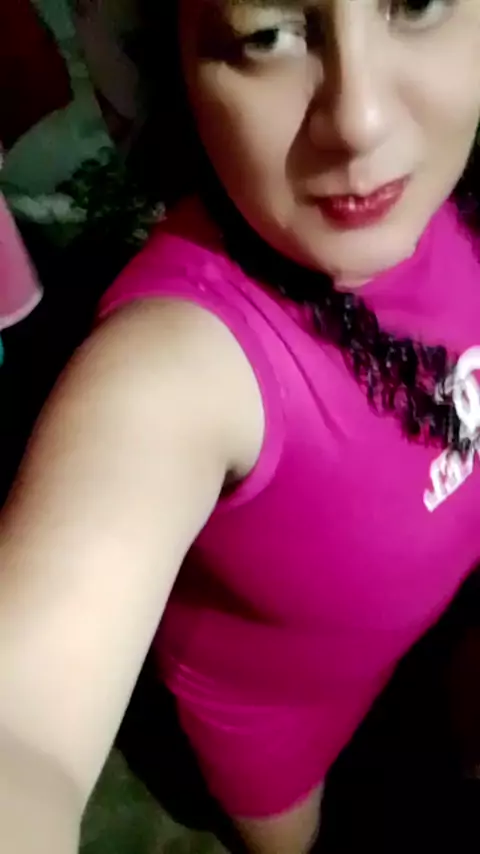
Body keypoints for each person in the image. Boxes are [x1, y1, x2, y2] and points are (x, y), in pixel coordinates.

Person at [1, 1, 480, 852]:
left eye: (416, 3)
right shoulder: (178, 365)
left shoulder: (456, 194)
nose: (360, 121)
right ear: (181, 70)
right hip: (284, 745)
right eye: (268, 36)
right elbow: (23, 736)